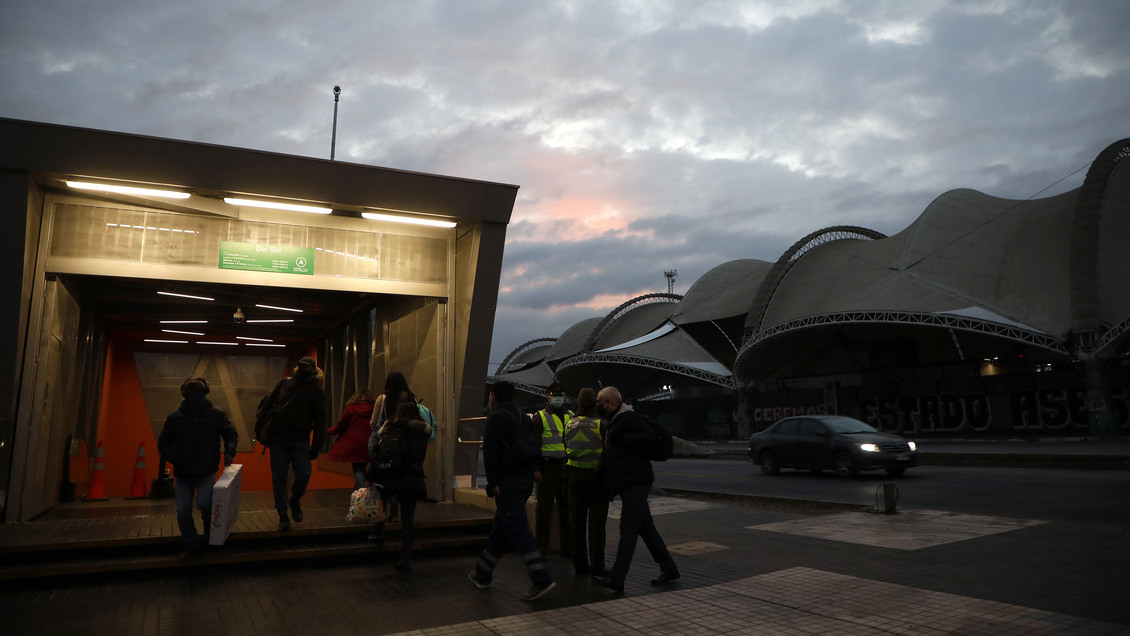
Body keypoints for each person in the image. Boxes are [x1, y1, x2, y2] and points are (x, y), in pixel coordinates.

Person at [467, 381, 556, 601]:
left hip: (508, 482)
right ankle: (482, 573)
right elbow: (535, 444)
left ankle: (540, 578)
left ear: (493, 396)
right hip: (525, 479)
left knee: (518, 528)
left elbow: (490, 452)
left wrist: (492, 482)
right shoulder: (522, 416)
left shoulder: (496, 418)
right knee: (502, 528)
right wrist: (534, 469)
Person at [596, 386, 679, 593]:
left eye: (600, 403)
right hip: (627, 482)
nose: (598, 407)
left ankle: (617, 577)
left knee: (628, 528)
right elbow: (610, 455)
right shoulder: (614, 422)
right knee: (645, 528)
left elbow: (649, 438)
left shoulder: (628, 419)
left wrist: (624, 439)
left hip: (637, 481)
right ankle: (669, 568)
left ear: (609, 403)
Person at [157, 377, 238, 557]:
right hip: (185, 472)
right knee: (183, 511)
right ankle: (192, 545)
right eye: (196, 394)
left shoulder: (215, 415)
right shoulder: (176, 418)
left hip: (204, 470)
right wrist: (175, 458)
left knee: (204, 504)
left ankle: (207, 530)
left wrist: (230, 451)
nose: (199, 397)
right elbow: (164, 442)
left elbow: (230, 434)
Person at [255, 356, 327, 531]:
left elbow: (320, 421)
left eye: (306, 367)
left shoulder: (316, 392)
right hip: (279, 438)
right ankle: (283, 514)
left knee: (303, 474)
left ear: (313, 369)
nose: (302, 369)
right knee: (279, 477)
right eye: (300, 366)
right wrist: (259, 429)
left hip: (300, 440)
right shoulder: (285, 383)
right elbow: (268, 404)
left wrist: (316, 446)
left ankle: (294, 501)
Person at [367, 401, 430, 572]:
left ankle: (379, 534)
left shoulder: (392, 429)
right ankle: (406, 557)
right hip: (413, 479)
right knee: (408, 520)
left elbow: (380, 452)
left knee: (382, 503)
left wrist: (371, 475)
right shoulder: (421, 434)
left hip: (392, 476)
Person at [564, 387, 608, 577]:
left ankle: (580, 566)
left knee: (576, 523)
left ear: (578, 403)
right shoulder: (601, 424)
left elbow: (565, 446)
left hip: (574, 477)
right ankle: (597, 566)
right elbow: (607, 452)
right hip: (596, 478)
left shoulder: (569, 424)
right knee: (597, 524)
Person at [533, 381, 573, 558]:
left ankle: (567, 548)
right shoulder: (540, 417)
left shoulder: (571, 415)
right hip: (547, 468)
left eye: (561, 395)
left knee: (567, 510)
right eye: (555, 395)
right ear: (548, 396)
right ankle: (542, 549)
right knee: (544, 511)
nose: (558, 398)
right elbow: (533, 445)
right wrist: (536, 469)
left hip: (566, 467)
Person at [327, 389, 374, 489]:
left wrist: (329, 431)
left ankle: (362, 495)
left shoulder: (351, 409)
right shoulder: (373, 409)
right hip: (369, 443)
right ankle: (364, 494)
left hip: (354, 444)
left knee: (357, 470)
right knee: (363, 468)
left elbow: (341, 426)